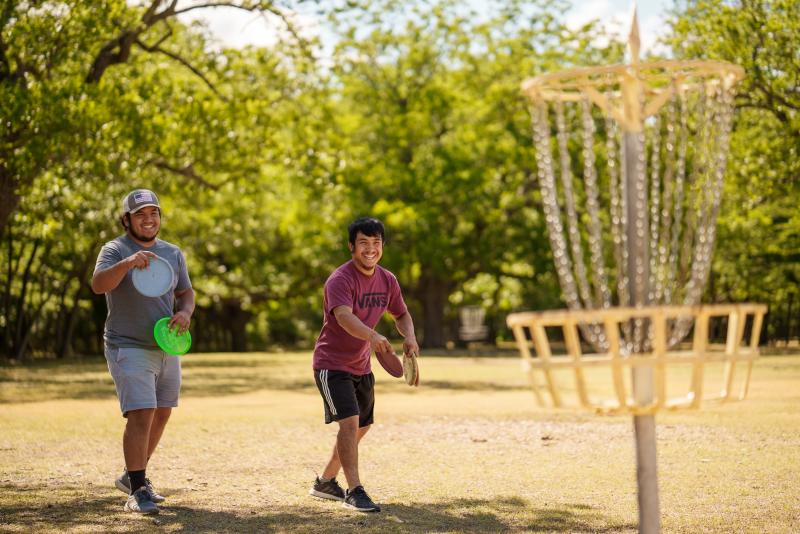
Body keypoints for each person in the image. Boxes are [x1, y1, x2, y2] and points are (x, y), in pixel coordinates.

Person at [91, 189, 194, 515]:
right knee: (142, 413)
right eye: (140, 214)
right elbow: (98, 285)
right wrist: (128, 262)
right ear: (126, 219)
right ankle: (137, 491)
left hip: (165, 344)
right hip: (127, 343)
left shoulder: (173, 253)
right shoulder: (115, 249)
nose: (149, 220)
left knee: (163, 411)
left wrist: (186, 313)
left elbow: (186, 292)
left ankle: (133, 476)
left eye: (154, 213)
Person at [309, 217, 419, 513]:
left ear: (382, 246)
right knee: (349, 422)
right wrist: (372, 335)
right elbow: (344, 317)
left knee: (362, 426)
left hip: (361, 365)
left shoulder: (388, 280)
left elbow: (402, 314)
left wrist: (409, 337)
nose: (370, 249)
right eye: (363, 243)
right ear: (351, 246)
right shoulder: (340, 280)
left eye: (376, 243)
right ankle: (354, 491)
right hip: (331, 365)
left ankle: (325, 482)